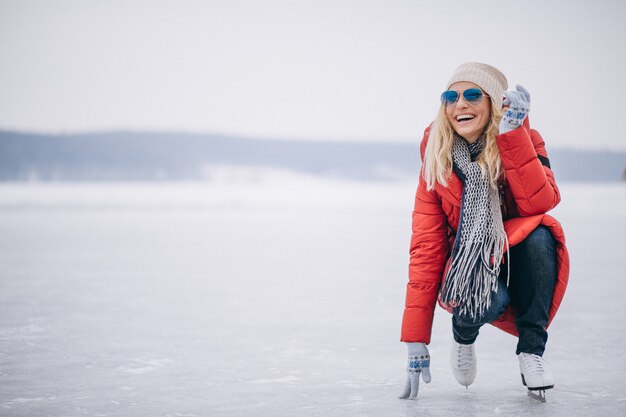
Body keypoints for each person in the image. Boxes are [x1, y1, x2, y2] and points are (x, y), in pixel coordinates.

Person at [398, 62, 570, 400]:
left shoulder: (525, 138)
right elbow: (426, 248)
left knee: (542, 234)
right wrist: (415, 337)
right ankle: (463, 336)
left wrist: (511, 136)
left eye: (472, 95)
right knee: (486, 300)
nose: (459, 104)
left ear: (493, 102)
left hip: (518, 257)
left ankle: (532, 353)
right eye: (450, 97)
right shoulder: (436, 163)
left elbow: (541, 202)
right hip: (467, 270)